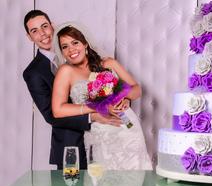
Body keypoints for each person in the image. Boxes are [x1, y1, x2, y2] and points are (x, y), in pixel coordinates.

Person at [23, 10, 122, 169]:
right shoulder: (33, 73)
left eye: (45, 26)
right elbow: (51, 115)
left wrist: (121, 99)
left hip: (106, 140)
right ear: (29, 37)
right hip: (70, 146)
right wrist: (93, 117)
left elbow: (108, 84)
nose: (43, 34)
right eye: (34, 31)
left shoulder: (79, 52)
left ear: (52, 26)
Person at [51, 22, 152, 170]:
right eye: (65, 46)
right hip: (101, 132)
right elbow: (58, 110)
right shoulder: (65, 71)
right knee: (103, 178)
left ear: (85, 44)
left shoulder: (108, 63)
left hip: (127, 128)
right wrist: (97, 107)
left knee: (135, 174)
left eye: (75, 42)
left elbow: (137, 89)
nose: (71, 49)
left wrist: (122, 97)